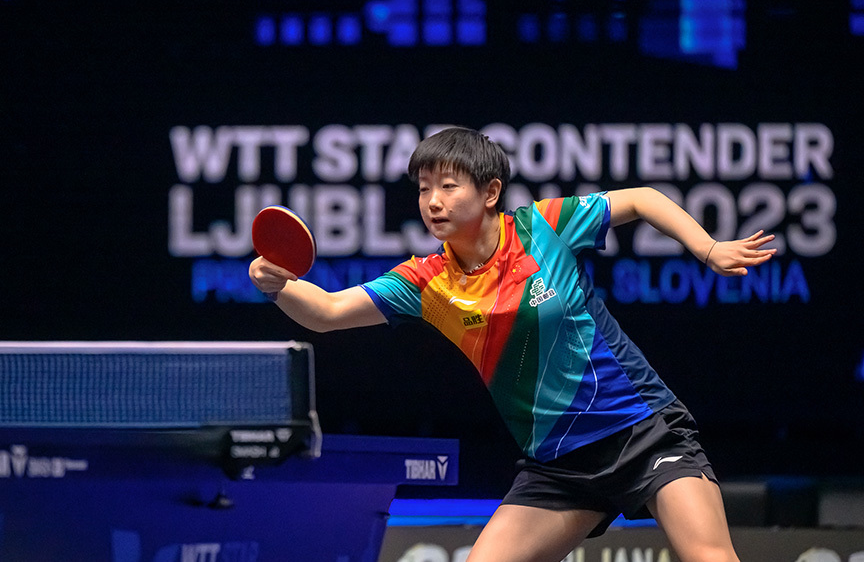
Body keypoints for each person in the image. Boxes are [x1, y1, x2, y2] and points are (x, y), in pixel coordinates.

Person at [249, 127, 775, 562]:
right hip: (559, 465)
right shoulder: (425, 282)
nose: (433, 201)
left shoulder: (543, 227)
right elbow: (327, 312)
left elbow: (642, 199)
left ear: (490, 192)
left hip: (643, 431)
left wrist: (708, 248)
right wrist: (278, 285)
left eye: (448, 185)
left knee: (709, 557)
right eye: (424, 189)